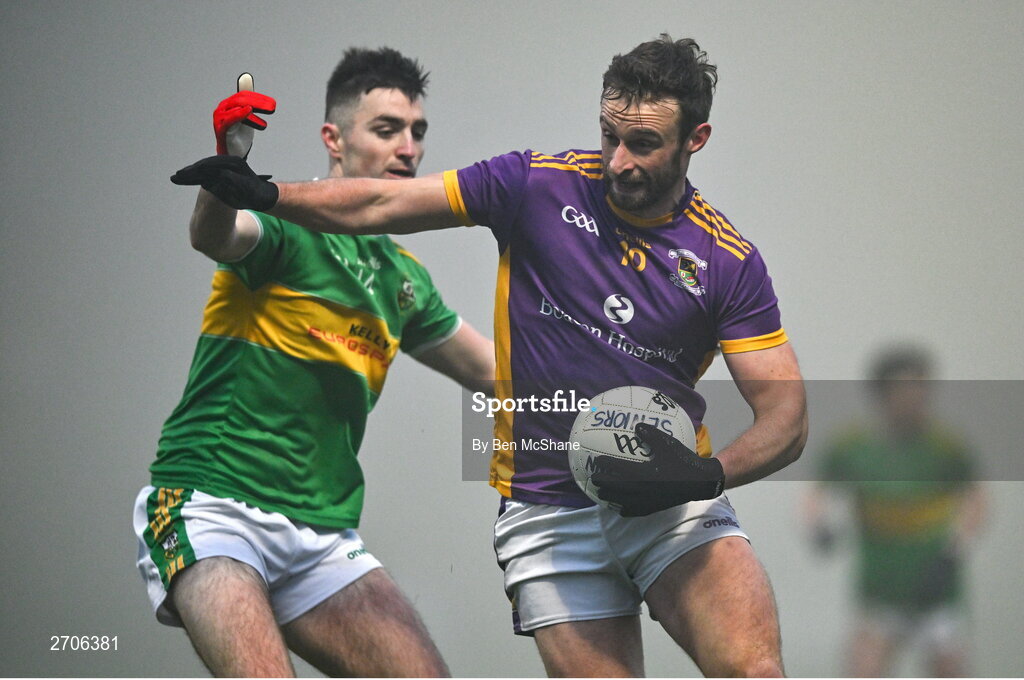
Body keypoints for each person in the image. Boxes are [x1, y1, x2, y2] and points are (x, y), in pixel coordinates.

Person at [172, 35, 808, 677]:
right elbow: (382, 203)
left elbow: (788, 416)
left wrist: (703, 476)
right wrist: (263, 194)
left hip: (670, 505)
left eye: (642, 144)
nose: (618, 160)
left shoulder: (728, 260)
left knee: (755, 672)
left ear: (694, 139)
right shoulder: (534, 183)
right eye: (608, 135)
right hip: (547, 514)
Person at [135, 47, 494, 677]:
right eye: (386, 130)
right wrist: (224, 178)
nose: (408, 148)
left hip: (322, 536)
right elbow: (217, 235)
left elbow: (496, 373)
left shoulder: (404, 280)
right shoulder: (285, 231)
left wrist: (636, 383)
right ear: (333, 138)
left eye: (417, 132)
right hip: (214, 506)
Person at [805, 345, 985, 677]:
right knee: (864, 667)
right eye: (904, 387)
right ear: (881, 392)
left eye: (921, 386)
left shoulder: (946, 446)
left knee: (949, 668)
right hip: (880, 589)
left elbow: (975, 498)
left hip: (937, 592)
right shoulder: (853, 445)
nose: (915, 396)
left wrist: (956, 550)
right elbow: (818, 491)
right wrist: (818, 526)